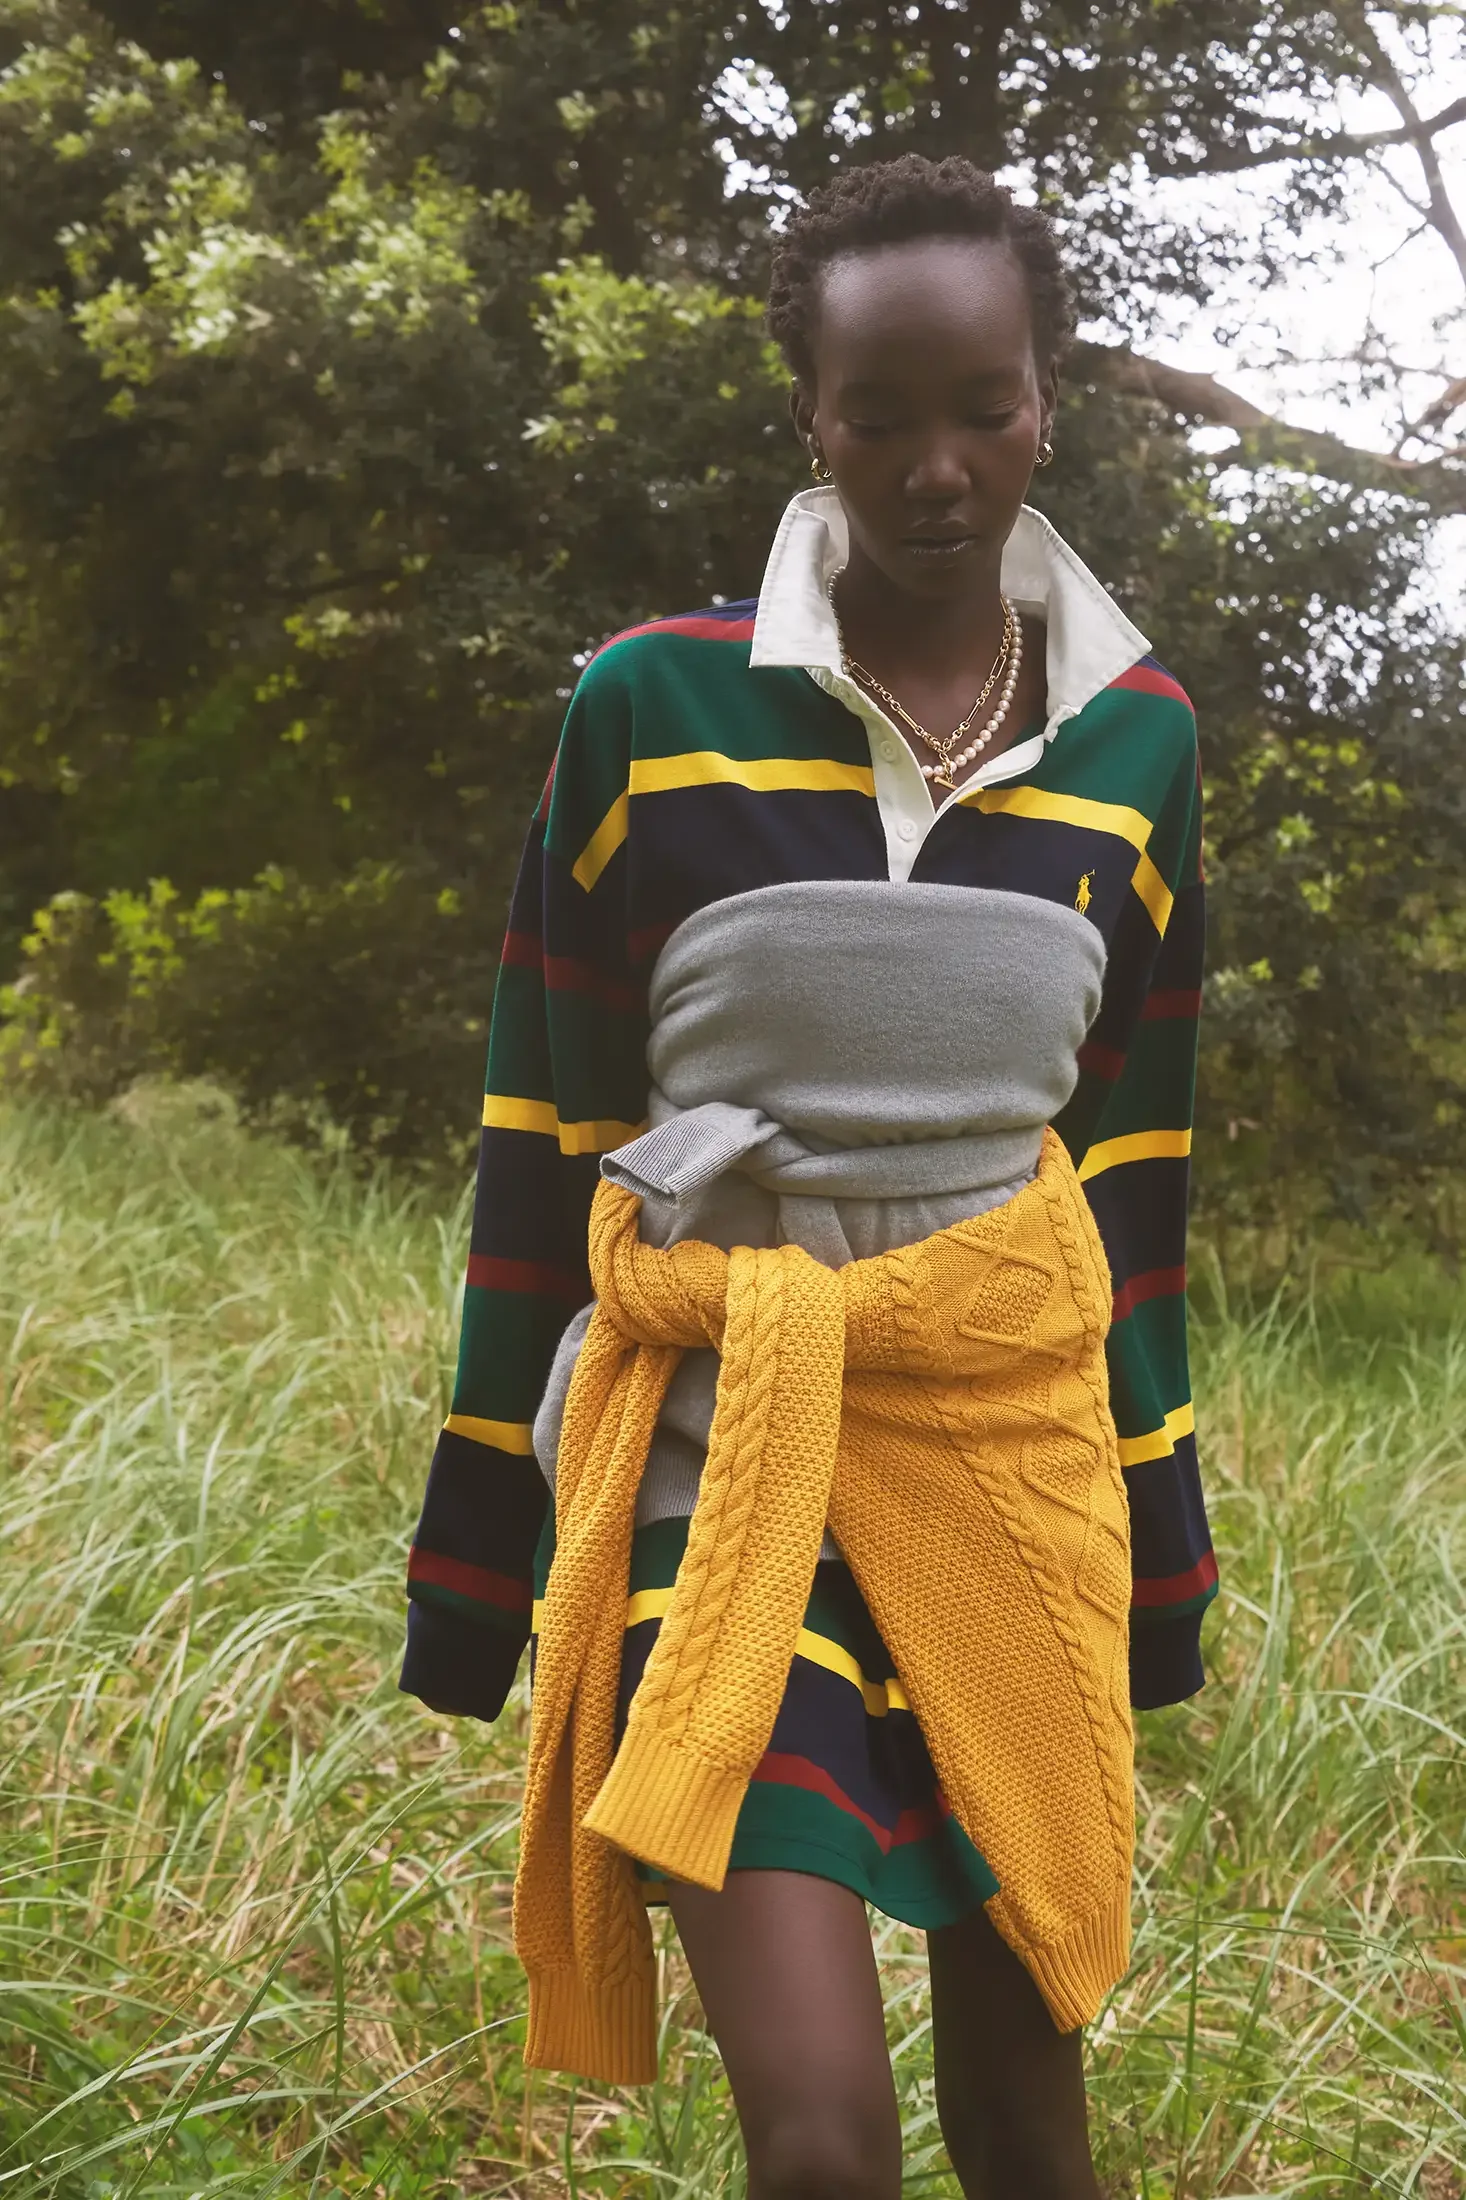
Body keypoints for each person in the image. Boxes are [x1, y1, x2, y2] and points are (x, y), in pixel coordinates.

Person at [401, 154, 1217, 2200]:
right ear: (810, 419)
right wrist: (478, 1559)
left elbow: (1124, 1177)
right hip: (720, 1437)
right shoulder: (651, 707)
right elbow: (552, 1146)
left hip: (1007, 1453)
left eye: (984, 409)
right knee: (825, 2139)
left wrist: (1162, 1555)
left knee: (1030, 2133)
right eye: (880, 416)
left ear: (1046, 405)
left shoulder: (1137, 738)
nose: (937, 468)